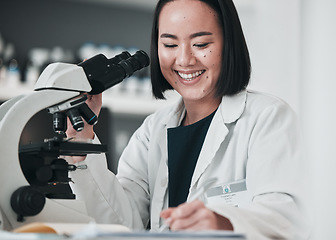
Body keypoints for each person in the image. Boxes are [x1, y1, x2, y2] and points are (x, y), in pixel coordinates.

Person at [66, 0, 311, 239]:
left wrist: (223, 224)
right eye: (170, 45)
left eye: (201, 44)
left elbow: (286, 222)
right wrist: (81, 137)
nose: (184, 60)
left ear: (229, 44)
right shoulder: (152, 131)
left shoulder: (267, 118)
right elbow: (121, 223)